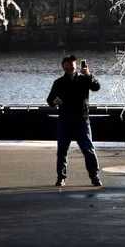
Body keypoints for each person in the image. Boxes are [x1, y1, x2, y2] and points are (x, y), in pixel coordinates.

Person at [46, 54, 102, 187]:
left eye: (73, 64)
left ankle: (94, 176)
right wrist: (55, 101)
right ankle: (61, 177)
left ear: (76, 66)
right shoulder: (59, 82)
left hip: (82, 121)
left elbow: (96, 87)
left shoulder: (84, 79)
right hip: (64, 121)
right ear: (63, 66)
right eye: (68, 63)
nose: (71, 66)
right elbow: (49, 100)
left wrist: (89, 75)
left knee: (88, 150)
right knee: (62, 152)